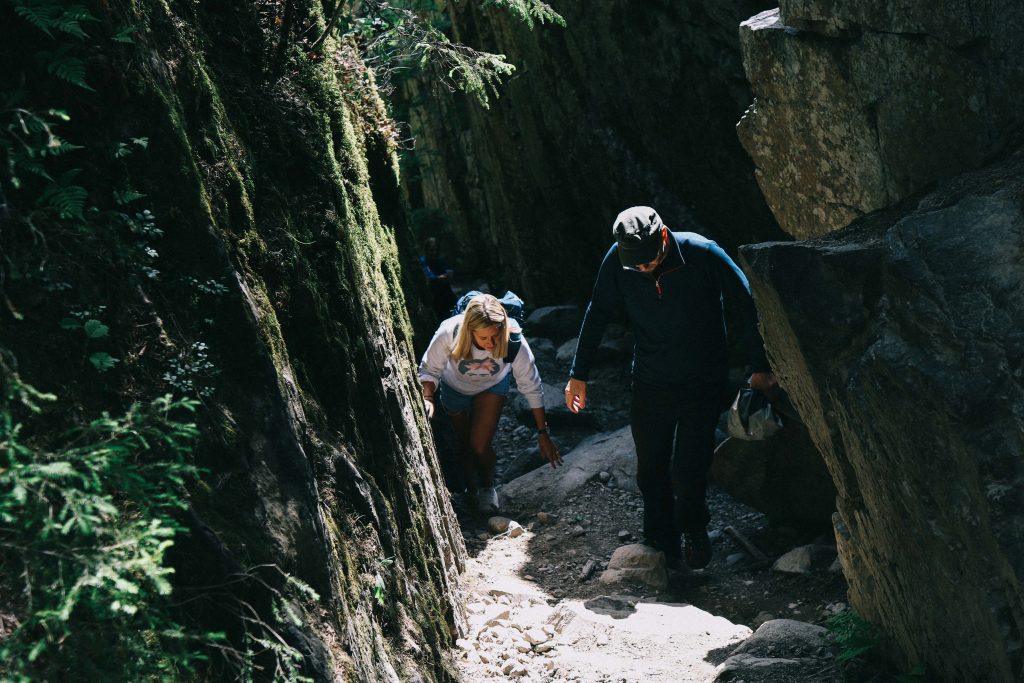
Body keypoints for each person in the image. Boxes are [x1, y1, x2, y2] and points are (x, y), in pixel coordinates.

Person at [565, 206, 777, 569]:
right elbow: (596, 312)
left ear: (664, 237)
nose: (644, 269)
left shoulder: (703, 253)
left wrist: (759, 367)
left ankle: (694, 530)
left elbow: (746, 304)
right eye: (637, 266)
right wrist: (577, 373)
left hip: (703, 382)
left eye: (648, 262)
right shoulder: (618, 260)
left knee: (690, 469)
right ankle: (660, 542)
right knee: (650, 469)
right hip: (650, 382)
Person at [419, 293, 562, 513]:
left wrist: (543, 432)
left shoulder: (513, 339)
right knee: (463, 444)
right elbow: (429, 369)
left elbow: (531, 385)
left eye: (496, 336)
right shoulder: (450, 331)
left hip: (492, 386)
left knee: (479, 444)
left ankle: (487, 487)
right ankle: (470, 490)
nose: (492, 344)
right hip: (454, 388)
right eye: (484, 339)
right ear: (469, 330)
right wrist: (428, 398)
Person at [419, 237, 457, 321]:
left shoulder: (440, 259)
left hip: (447, 294)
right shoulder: (423, 261)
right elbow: (429, 275)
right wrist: (438, 278)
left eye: (436, 250)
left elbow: (449, 271)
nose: (434, 253)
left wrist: (447, 276)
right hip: (434, 296)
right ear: (426, 250)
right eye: (432, 250)